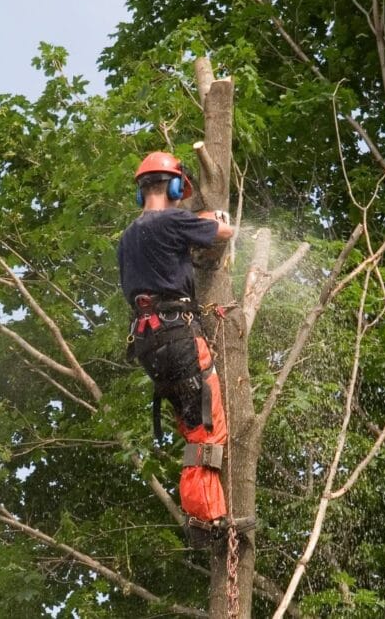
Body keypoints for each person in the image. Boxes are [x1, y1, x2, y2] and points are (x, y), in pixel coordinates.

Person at [118, 151, 250, 546]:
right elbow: (224, 233)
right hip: (177, 335)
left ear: (142, 192)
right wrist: (212, 219)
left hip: (147, 343)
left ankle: (203, 513)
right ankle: (209, 521)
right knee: (208, 427)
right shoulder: (175, 220)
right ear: (175, 187)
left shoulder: (128, 237)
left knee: (193, 423)